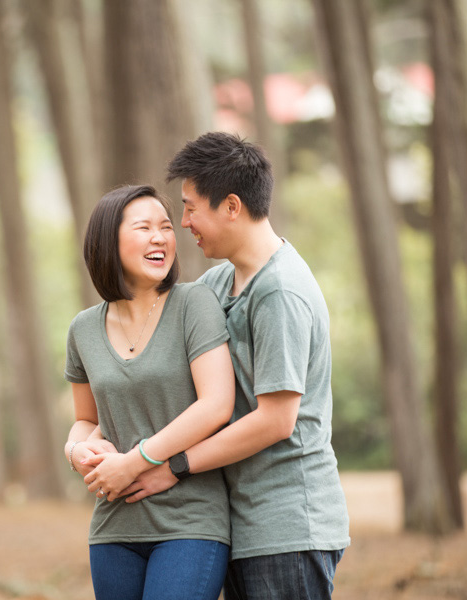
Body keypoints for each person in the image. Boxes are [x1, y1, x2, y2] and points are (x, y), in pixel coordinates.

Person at [93, 132, 351, 600]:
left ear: (231, 206)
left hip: (288, 525)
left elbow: (276, 419)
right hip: (241, 524)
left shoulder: (280, 291)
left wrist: (173, 466)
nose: (184, 223)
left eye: (191, 208)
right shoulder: (219, 283)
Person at [63, 183, 236, 600]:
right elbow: (86, 420)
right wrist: (77, 452)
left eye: (165, 227)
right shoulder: (83, 329)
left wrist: (135, 461)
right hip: (113, 527)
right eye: (144, 228)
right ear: (109, 242)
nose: (160, 237)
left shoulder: (194, 304)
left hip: (189, 523)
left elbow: (217, 405)